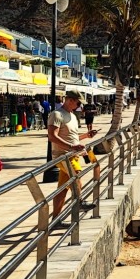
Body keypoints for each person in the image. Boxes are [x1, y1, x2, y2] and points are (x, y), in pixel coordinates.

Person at [47, 90, 97, 225]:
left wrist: (85, 136)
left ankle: (55, 221)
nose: (80, 105)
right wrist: (71, 147)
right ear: (70, 100)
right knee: (76, 175)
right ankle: (79, 201)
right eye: (78, 102)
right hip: (63, 156)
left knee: (62, 190)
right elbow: (52, 136)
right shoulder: (57, 115)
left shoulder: (73, 116)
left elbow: (72, 137)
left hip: (72, 155)